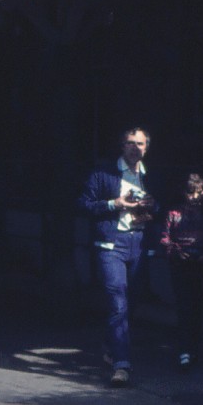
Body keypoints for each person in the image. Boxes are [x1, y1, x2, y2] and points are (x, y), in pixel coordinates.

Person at [77, 127, 157, 387]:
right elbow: (84, 204)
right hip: (111, 244)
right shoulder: (104, 174)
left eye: (141, 144)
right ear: (122, 146)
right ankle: (121, 365)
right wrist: (115, 204)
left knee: (133, 299)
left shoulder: (151, 175)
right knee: (118, 300)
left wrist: (150, 207)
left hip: (139, 242)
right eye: (131, 143)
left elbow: (161, 205)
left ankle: (111, 343)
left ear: (147, 147)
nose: (136, 148)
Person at [161, 174, 203, 370]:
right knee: (184, 306)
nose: (193, 197)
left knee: (198, 307)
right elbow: (165, 238)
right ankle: (185, 350)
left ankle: (193, 347)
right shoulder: (174, 213)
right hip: (181, 263)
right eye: (189, 192)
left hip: (201, 263)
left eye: (197, 192)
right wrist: (176, 251)